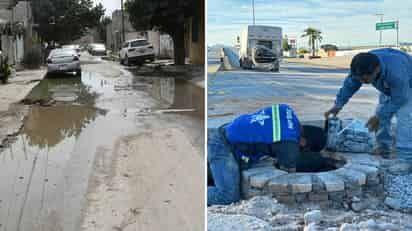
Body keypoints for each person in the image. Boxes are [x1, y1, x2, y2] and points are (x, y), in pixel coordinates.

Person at [208, 104, 327, 205]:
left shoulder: (286, 110)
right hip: (224, 148)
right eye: (304, 148)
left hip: (229, 132)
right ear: (304, 142)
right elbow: (288, 176)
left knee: (214, 175)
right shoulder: (288, 144)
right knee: (228, 196)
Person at [324, 48, 412, 158]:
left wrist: (379, 116)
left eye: (365, 80)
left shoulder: (396, 73)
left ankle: (407, 156)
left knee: (405, 117)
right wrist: (338, 105)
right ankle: (384, 147)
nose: (361, 82)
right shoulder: (361, 66)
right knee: (381, 113)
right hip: (388, 83)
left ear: (377, 70)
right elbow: (350, 85)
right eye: (359, 79)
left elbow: (400, 98)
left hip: (408, 84)